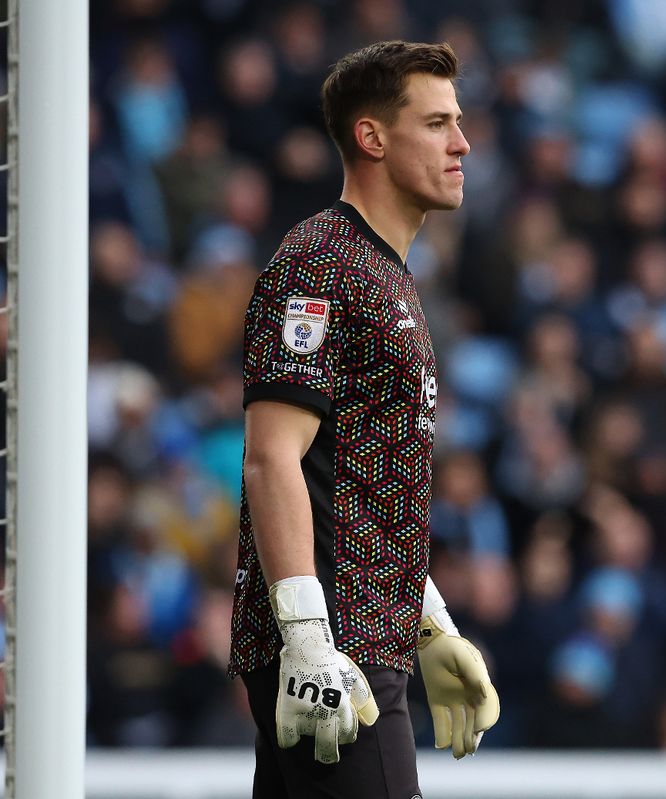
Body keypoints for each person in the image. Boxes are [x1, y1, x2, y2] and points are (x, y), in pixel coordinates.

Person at [228, 40, 499, 799]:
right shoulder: (319, 262)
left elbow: (358, 483)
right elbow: (272, 457)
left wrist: (430, 623)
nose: (462, 142)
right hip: (332, 647)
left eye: (459, 121)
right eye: (438, 122)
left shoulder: (385, 272)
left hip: (364, 635)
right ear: (372, 137)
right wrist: (307, 642)